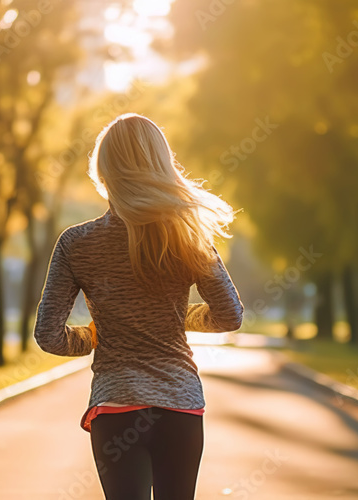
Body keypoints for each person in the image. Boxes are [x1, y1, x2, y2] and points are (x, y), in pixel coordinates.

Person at [33, 113, 244, 500]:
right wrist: (179, 318)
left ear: (103, 170)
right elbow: (230, 315)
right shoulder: (189, 237)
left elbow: (49, 335)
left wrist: (97, 333)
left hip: (116, 407)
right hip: (180, 405)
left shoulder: (76, 243)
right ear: (161, 165)